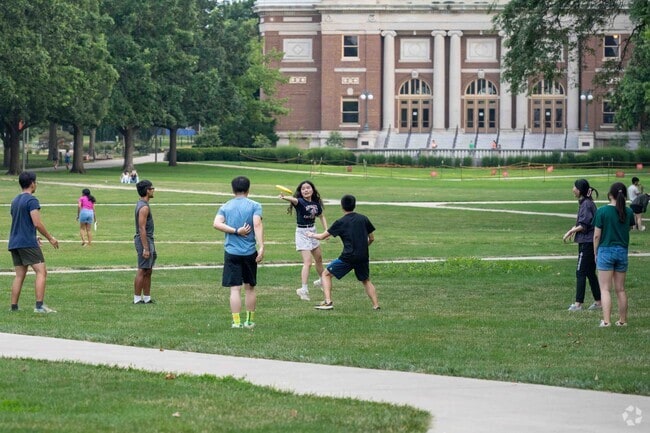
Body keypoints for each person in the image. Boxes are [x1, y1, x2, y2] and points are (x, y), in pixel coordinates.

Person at [307, 194, 379, 311]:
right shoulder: (363, 218)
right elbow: (371, 238)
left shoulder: (340, 222)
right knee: (366, 280)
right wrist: (363, 248)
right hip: (363, 256)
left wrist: (311, 235)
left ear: (342, 206)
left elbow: (322, 237)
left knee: (326, 274)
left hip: (348, 257)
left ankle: (328, 302)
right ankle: (376, 305)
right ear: (354, 205)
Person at [213, 176, 264, 328]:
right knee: (249, 288)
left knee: (235, 289)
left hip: (231, 252)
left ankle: (236, 322)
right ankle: (250, 321)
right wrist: (261, 246)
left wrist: (235, 231)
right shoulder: (255, 205)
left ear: (233, 189)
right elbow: (257, 224)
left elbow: (216, 224)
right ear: (248, 189)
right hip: (249, 252)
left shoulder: (226, 206)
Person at [8, 171, 60, 313]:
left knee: (19, 275)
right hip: (26, 243)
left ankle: (14, 307)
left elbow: (21, 222)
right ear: (32, 183)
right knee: (41, 272)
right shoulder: (32, 201)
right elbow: (36, 222)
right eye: (35, 182)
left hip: (14, 242)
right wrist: (50, 238)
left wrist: (33, 235)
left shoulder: (15, 201)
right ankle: (39, 306)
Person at [593, 182, 635, 327]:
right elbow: (629, 227)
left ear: (610, 194)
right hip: (622, 251)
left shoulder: (602, 211)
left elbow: (597, 235)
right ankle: (622, 321)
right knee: (620, 289)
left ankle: (606, 321)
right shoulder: (628, 211)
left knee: (605, 289)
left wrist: (595, 252)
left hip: (606, 250)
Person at [279, 180, 328, 301]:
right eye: (303, 189)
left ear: (312, 190)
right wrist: (285, 197)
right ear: (300, 192)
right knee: (308, 262)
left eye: (308, 188)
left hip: (313, 231)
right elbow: (294, 200)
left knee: (319, 259)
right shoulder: (300, 201)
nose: (306, 190)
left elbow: (321, 216)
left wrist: (326, 230)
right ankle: (303, 289)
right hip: (302, 233)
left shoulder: (316, 204)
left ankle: (321, 281)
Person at [562, 179, 601, 312]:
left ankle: (578, 304)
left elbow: (584, 225)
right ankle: (599, 301)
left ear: (579, 190)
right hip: (588, 242)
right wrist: (574, 228)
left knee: (580, 272)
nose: (573, 189)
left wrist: (570, 231)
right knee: (590, 272)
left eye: (574, 187)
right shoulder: (586, 203)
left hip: (587, 243)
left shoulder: (586, 204)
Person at [133, 180, 156, 304]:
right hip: (144, 240)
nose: (153, 190)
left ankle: (147, 298)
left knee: (148, 269)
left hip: (148, 240)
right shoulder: (144, 207)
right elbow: (142, 228)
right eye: (152, 188)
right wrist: (146, 248)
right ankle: (137, 299)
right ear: (147, 190)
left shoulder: (142, 204)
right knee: (142, 269)